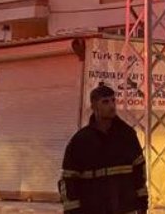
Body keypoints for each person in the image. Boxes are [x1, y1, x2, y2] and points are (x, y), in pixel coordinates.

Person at [60, 83, 148, 214]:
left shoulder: (127, 135)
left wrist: (142, 203)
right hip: (92, 209)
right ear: (94, 106)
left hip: (124, 208)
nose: (112, 106)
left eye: (113, 100)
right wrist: (72, 210)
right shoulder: (81, 141)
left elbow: (139, 172)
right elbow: (69, 178)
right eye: (105, 102)